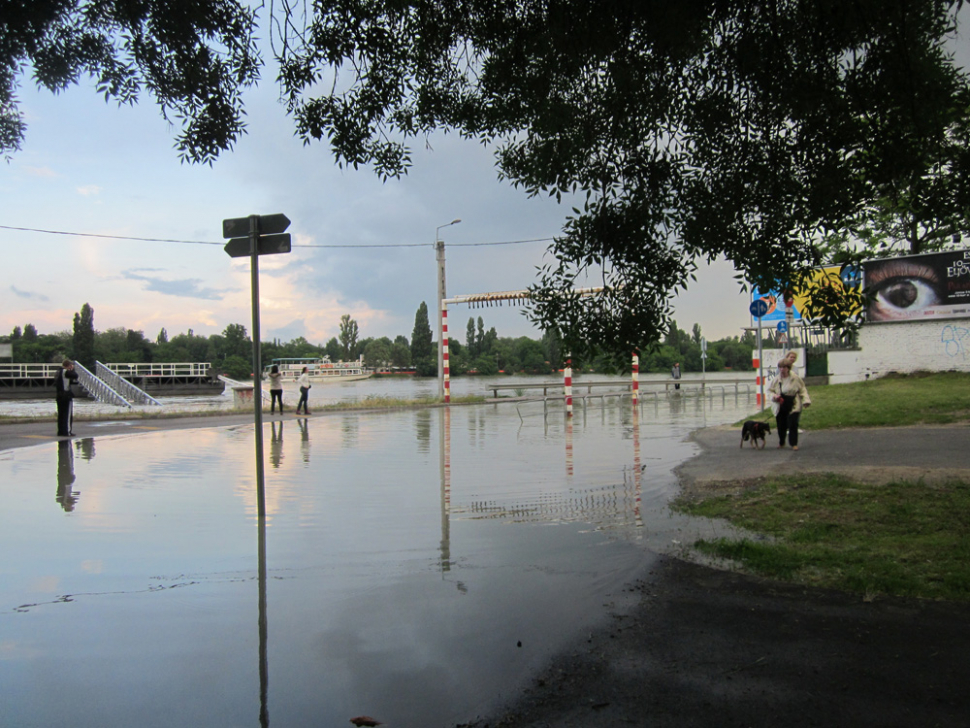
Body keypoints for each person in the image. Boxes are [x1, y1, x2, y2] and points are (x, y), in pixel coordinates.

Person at [769, 358, 811, 450]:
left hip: (793, 402)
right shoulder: (776, 379)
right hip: (781, 403)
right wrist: (774, 397)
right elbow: (770, 391)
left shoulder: (795, 378)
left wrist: (806, 400)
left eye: (784, 367)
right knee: (781, 424)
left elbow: (802, 389)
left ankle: (794, 444)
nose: (782, 369)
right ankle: (782, 442)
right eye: (780, 367)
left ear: (788, 368)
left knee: (793, 424)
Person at [53, 359, 79, 436]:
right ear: (68, 366)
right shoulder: (65, 372)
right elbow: (75, 375)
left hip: (59, 396)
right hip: (66, 396)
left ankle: (60, 431)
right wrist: (72, 369)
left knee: (61, 414)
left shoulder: (58, 372)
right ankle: (67, 431)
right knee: (67, 415)